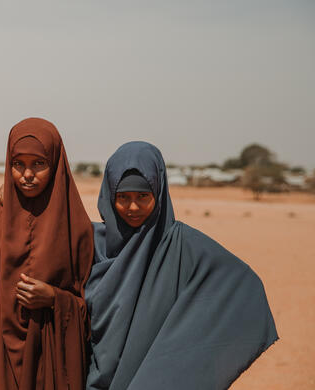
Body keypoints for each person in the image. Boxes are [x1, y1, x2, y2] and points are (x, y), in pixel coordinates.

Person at [85, 141, 278, 390]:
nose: (133, 207)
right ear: (109, 196)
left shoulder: (183, 246)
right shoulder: (91, 245)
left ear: (159, 192)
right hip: (93, 377)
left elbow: (241, 285)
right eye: (123, 198)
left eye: (143, 196)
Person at [0, 117, 95, 390]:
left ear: (56, 165)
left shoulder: (75, 227)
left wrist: (55, 299)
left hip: (49, 365)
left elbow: (92, 312)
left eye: (39, 164)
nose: (28, 174)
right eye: (18, 164)